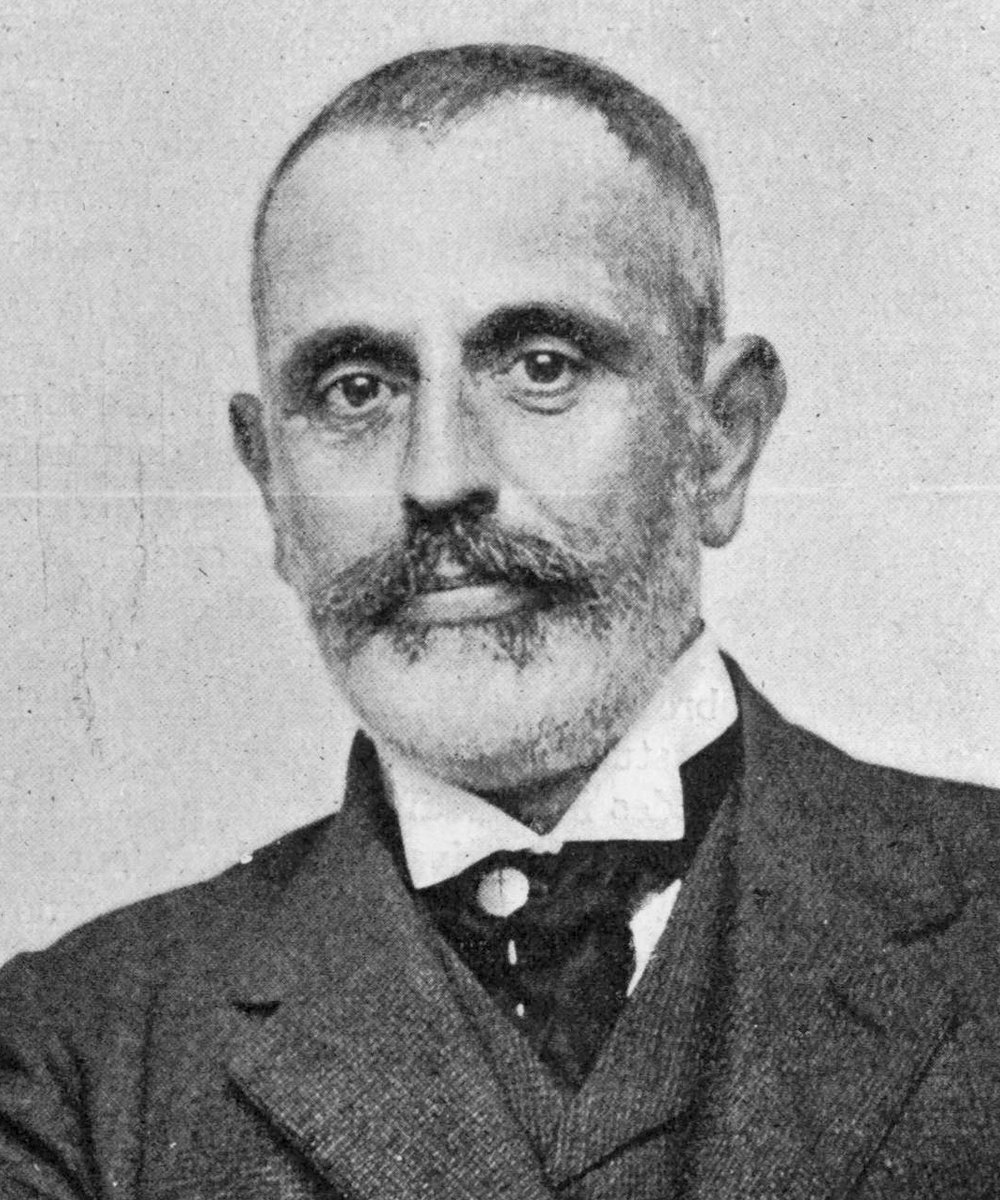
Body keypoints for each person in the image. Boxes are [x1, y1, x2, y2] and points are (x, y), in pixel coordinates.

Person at [1, 42, 998, 1200]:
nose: (437, 478)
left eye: (541, 366)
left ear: (720, 440)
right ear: (270, 483)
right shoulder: (73, 1066)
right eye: (356, 389)